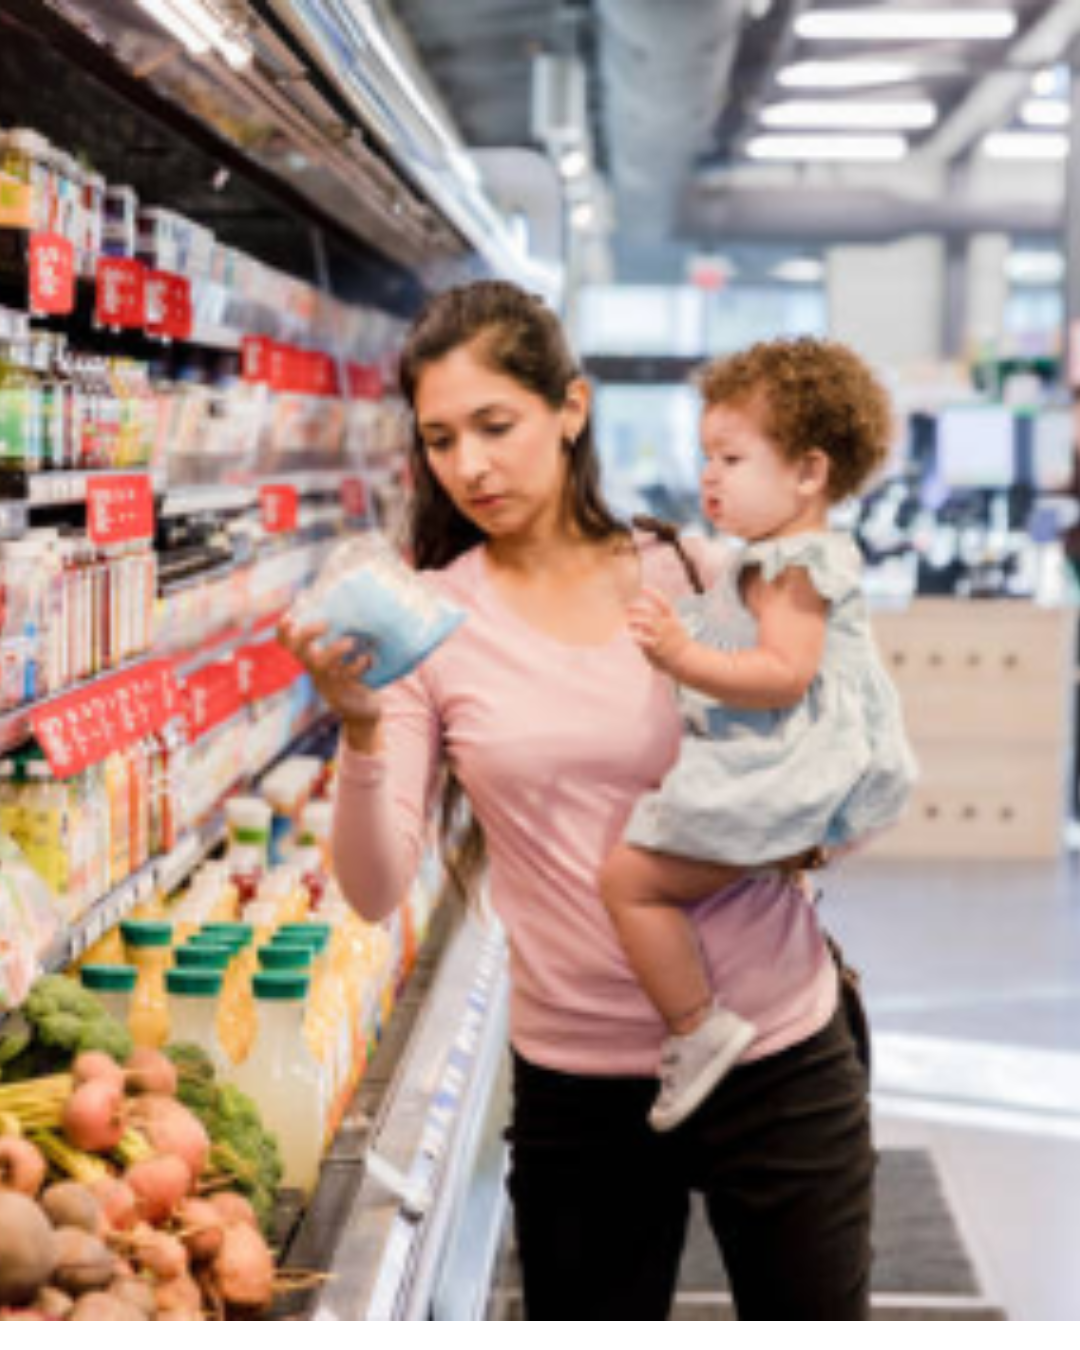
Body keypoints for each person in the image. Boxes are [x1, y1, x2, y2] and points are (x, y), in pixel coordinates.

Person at [279, 281, 877, 1321]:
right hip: (582, 1085)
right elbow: (375, 891)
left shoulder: (698, 569)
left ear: (572, 407)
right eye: (441, 438)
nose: (469, 465)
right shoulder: (430, 625)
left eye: (496, 425)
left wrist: (811, 828)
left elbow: (840, 757)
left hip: (775, 1047)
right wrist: (363, 729)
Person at [599, 337, 918, 1133]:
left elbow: (784, 673)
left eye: (732, 458)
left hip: (794, 762)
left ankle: (695, 1025)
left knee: (632, 882)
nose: (709, 476)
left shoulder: (793, 565)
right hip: (798, 754)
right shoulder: (772, 555)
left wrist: (682, 654)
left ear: (809, 472)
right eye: (707, 456)